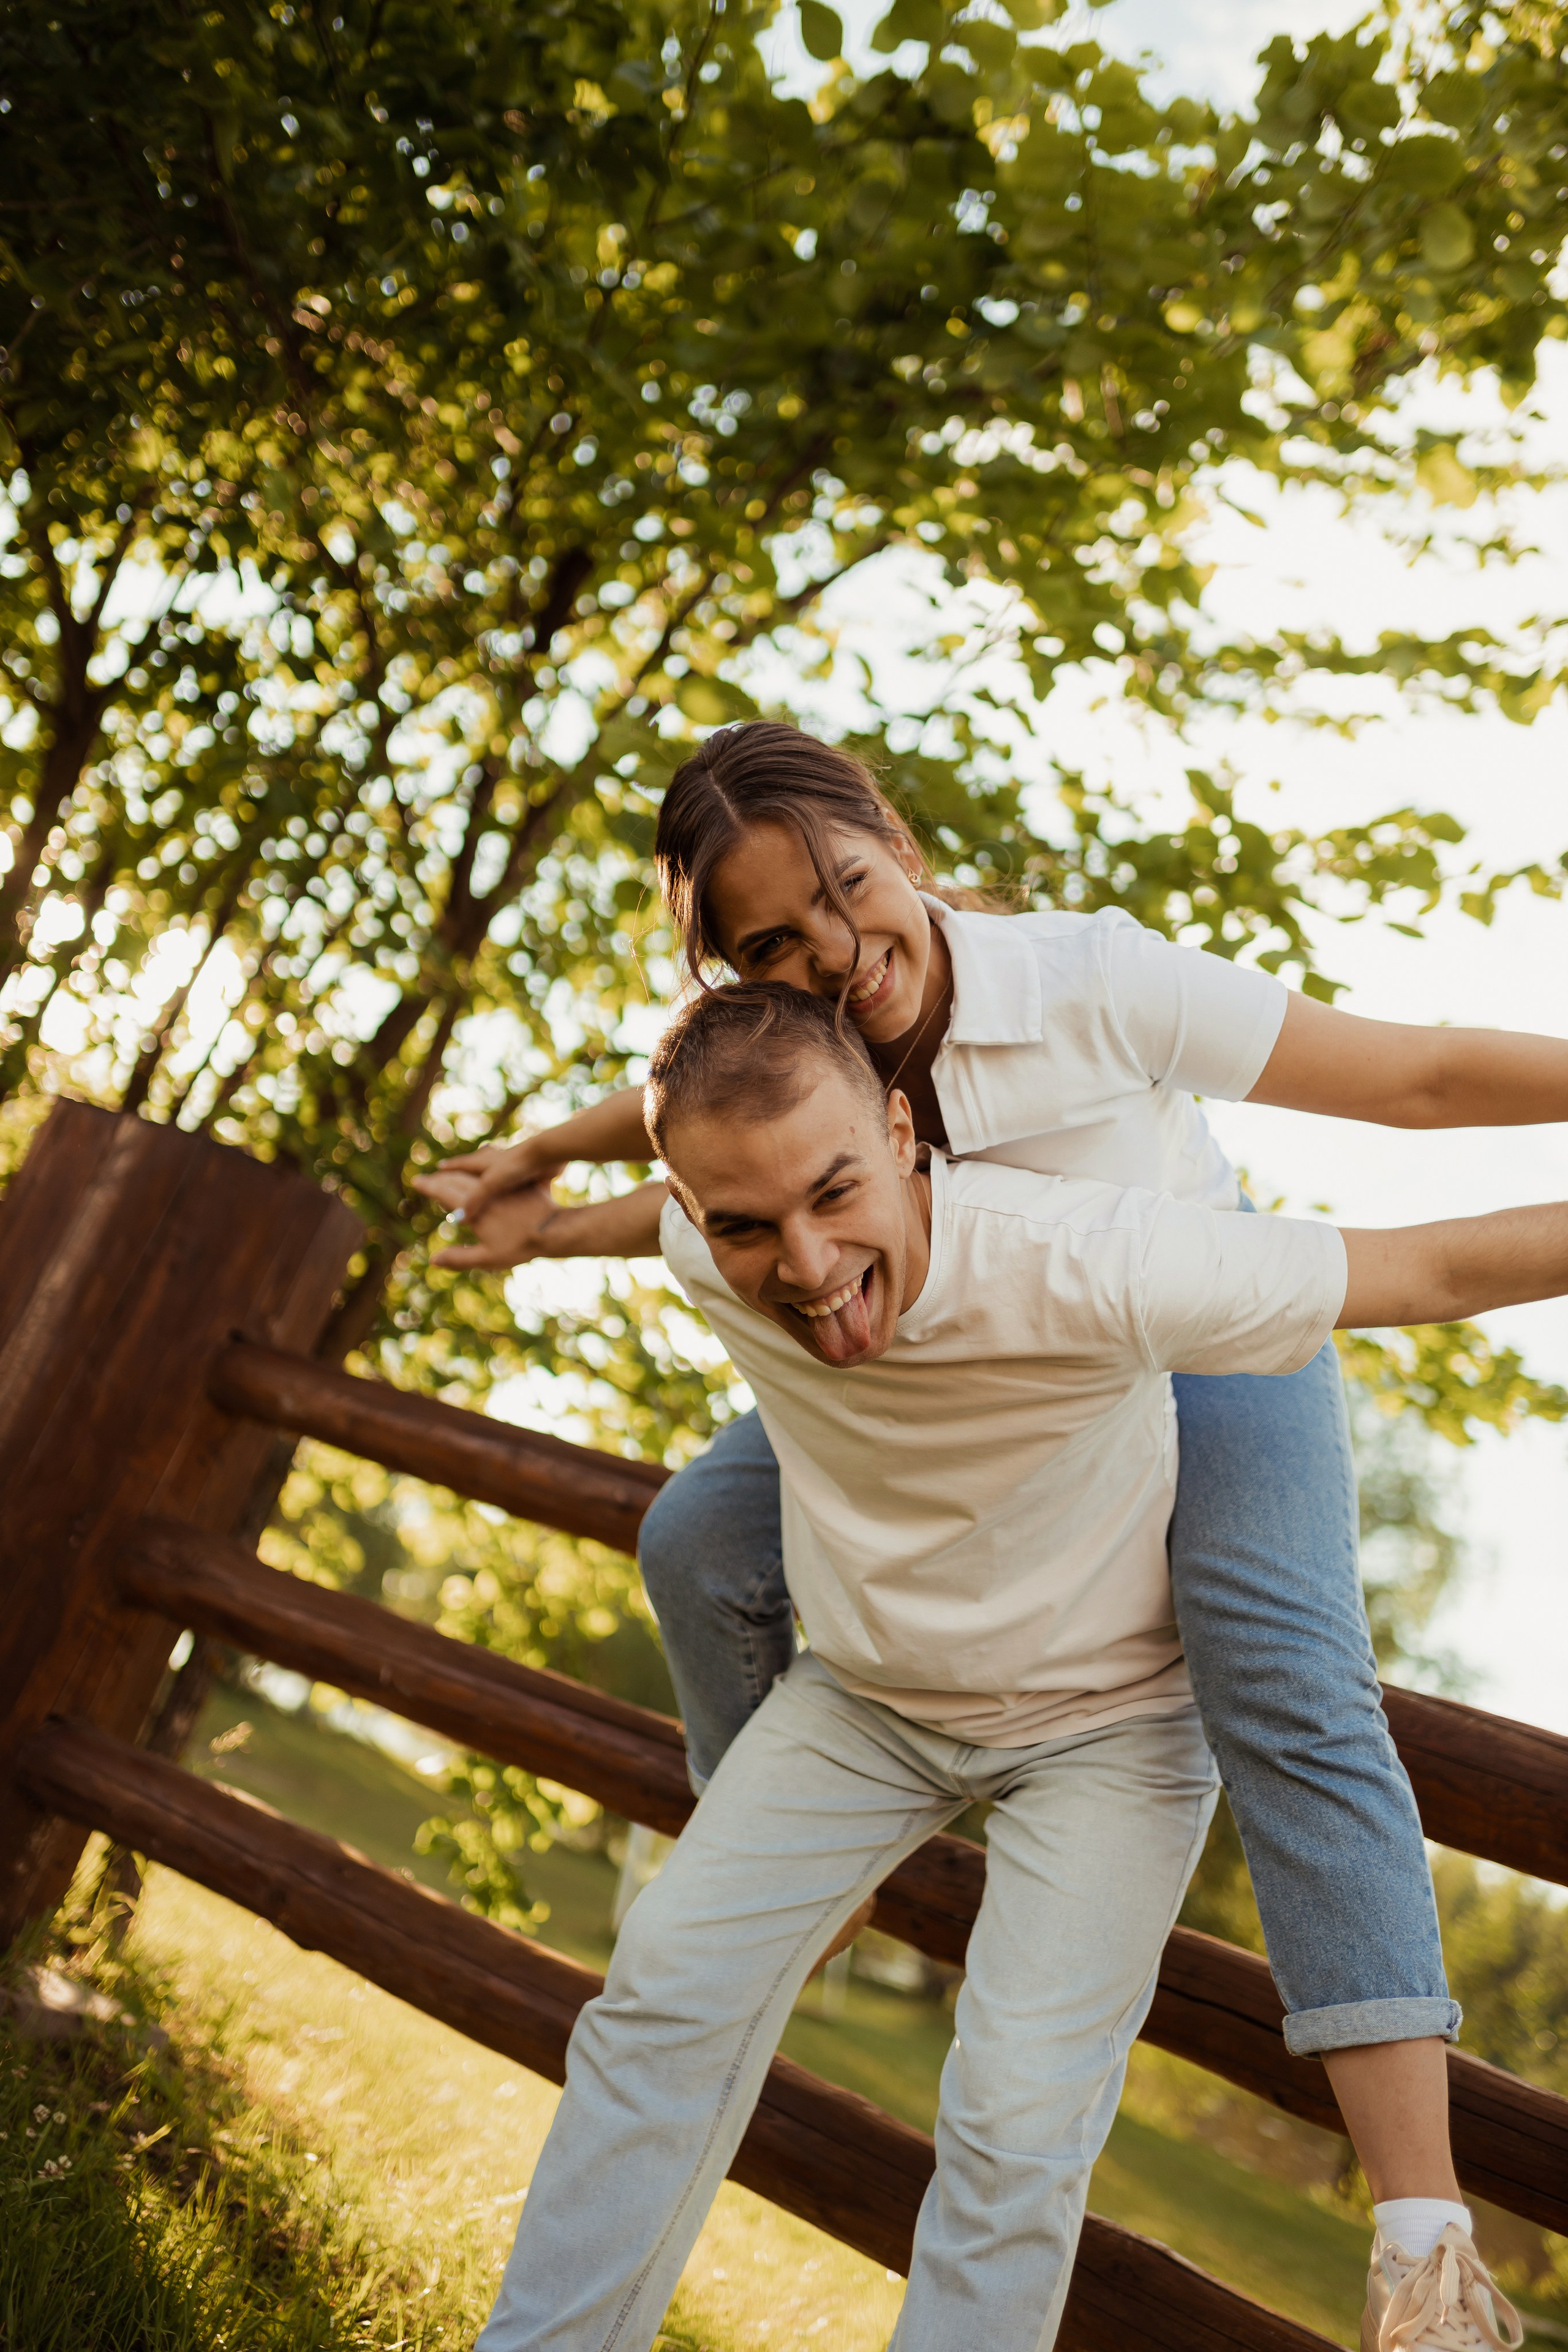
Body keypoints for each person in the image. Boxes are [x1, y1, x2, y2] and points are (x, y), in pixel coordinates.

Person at [417, 720, 1568, 2323]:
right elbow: (704, 1135)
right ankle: (778, 1877)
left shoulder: (1090, 986)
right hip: (917, 1358)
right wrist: (548, 1179)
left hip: (1177, 1307)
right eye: (775, 947)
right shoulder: (793, 1132)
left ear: (891, 839)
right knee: (699, 1533)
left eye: (847, 891)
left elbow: (1419, 1081)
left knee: (1269, 1647)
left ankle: (1421, 2227)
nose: (838, 958)